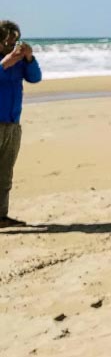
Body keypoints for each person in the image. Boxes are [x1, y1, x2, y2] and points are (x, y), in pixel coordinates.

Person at [0, 21, 41, 226]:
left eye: (14, 42)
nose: (11, 46)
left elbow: (35, 78)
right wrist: (3, 65)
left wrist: (29, 58)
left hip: (12, 123)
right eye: (7, 42)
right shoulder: (7, 61)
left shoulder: (19, 61)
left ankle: (1, 216)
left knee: (5, 173)